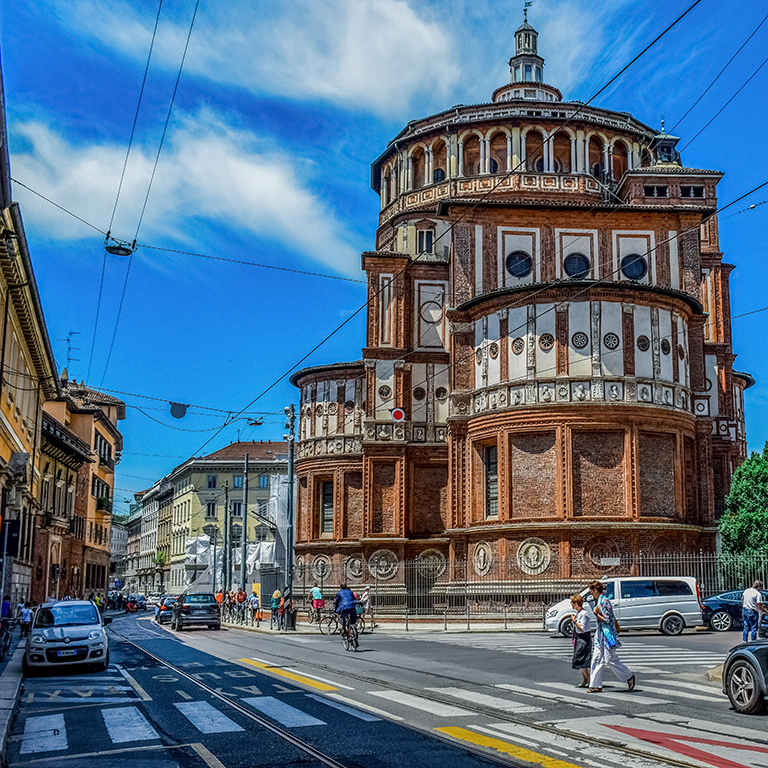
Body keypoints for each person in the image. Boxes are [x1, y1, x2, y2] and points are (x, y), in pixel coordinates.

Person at [587, 580, 634, 693]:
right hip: (600, 634)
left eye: (591, 591)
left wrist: (596, 614)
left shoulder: (604, 602)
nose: (591, 593)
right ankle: (595, 685)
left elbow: (606, 620)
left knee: (609, 659)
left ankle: (629, 676)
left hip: (607, 635)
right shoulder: (598, 601)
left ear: (595, 590)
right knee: (596, 658)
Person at [570, 594, 592, 688]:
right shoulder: (579, 613)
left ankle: (589, 679)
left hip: (584, 638)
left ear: (576, 603)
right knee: (580, 660)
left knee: (582, 660)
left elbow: (583, 628)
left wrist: (574, 621)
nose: (571, 604)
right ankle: (584, 680)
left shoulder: (584, 614)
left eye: (572, 602)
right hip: (579, 638)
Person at [334, 583, 360, 647]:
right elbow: (354, 599)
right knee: (353, 622)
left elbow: (336, 602)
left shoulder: (339, 593)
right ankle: (355, 636)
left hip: (344, 608)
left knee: (343, 617)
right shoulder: (350, 592)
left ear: (340, 587)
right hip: (352, 607)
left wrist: (335, 610)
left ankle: (344, 630)